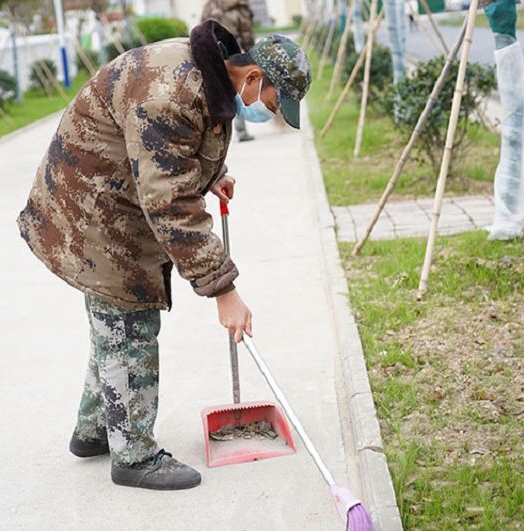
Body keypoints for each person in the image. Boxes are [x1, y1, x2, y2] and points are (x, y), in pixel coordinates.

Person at [17, 21, 311, 491]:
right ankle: (133, 455)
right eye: (273, 102)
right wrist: (224, 291)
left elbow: (171, 152)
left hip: (114, 188)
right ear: (253, 76)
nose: (268, 113)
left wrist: (210, 175)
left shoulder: (211, 74)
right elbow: (169, 199)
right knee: (129, 318)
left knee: (112, 324)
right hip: (93, 205)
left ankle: (95, 431)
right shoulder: (172, 91)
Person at [201, 0, 257, 142]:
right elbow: (246, 32)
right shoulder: (240, 7)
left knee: (215, 90)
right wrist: (252, 54)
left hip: (211, 50)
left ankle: (215, 132)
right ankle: (241, 130)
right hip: (232, 50)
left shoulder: (211, 5)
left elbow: (202, 27)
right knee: (236, 89)